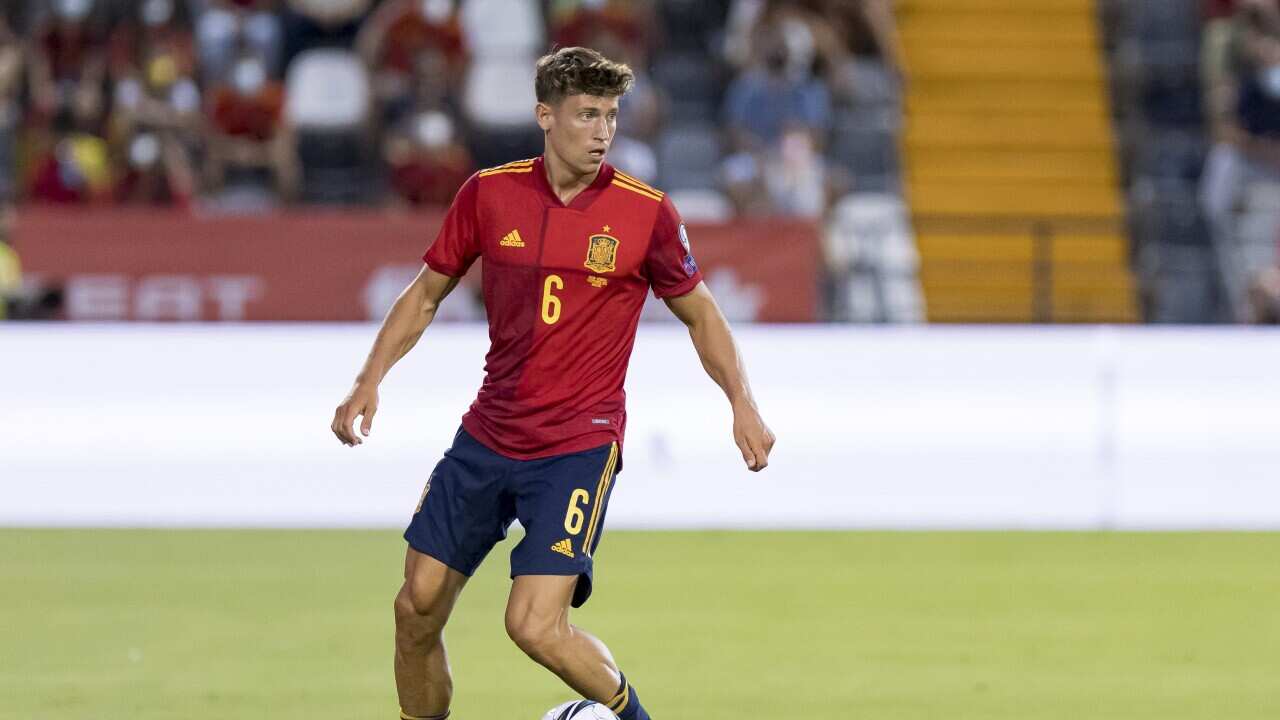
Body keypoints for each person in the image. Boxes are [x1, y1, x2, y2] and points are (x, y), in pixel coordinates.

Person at [331, 46, 775, 720]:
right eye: (587, 114)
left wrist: (741, 402)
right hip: (489, 433)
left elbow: (702, 313)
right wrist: (369, 381)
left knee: (534, 625)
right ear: (545, 115)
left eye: (611, 116)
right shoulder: (489, 193)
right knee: (414, 606)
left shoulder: (644, 213)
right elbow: (424, 296)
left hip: (577, 444)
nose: (602, 131)